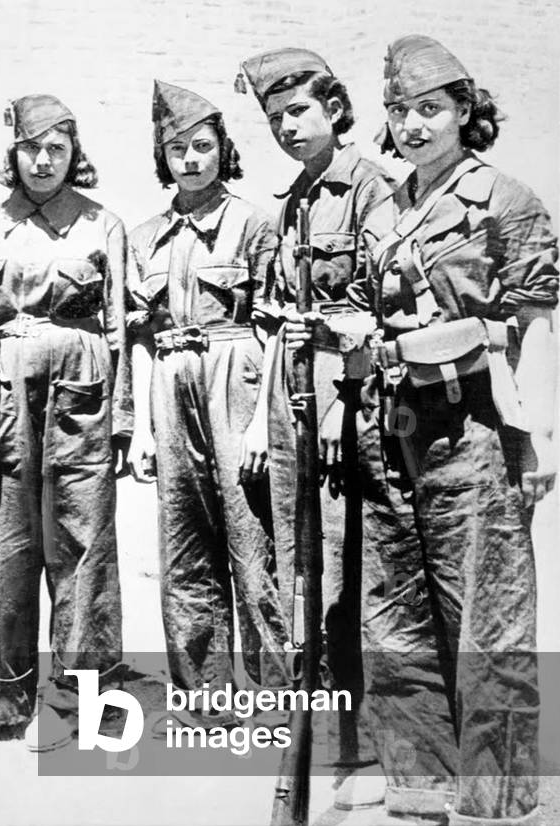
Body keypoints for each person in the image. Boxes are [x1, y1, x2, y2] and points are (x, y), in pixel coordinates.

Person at [291, 35, 557, 826]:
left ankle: (495, 798)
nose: (411, 126)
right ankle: (419, 785)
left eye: (429, 110)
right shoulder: (390, 202)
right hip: (391, 422)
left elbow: (537, 324)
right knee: (393, 611)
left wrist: (535, 435)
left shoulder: (505, 200)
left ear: (464, 112)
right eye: (399, 112)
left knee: (484, 616)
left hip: (472, 426)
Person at [236, 48, 395, 808]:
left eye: (298, 112)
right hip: (295, 401)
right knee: (305, 569)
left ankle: (370, 749)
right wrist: (265, 423)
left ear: (334, 107)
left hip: (350, 398)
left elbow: (383, 311)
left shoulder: (375, 189)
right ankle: (327, 734)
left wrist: (344, 397)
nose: (287, 129)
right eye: (273, 121)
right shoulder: (292, 203)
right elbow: (278, 325)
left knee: (356, 570)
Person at [0, 94, 130, 752]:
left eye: (57, 148)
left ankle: (82, 703)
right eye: (31, 148)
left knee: (82, 549)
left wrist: (125, 416)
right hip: (3, 401)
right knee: (2, 551)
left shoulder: (101, 224)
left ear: (74, 154)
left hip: (82, 397)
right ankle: (5, 697)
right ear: (13, 153)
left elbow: (120, 323)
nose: (44, 160)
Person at [125, 80, 290, 731]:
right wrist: (140, 428)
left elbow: (274, 327)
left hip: (238, 381)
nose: (190, 158)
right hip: (169, 382)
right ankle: (205, 698)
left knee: (254, 545)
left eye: (201, 146)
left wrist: (259, 422)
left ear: (223, 148)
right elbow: (139, 339)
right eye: (176, 149)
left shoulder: (254, 223)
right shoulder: (144, 237)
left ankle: (280, 696)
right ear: (161, 156)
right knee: (184, 547)